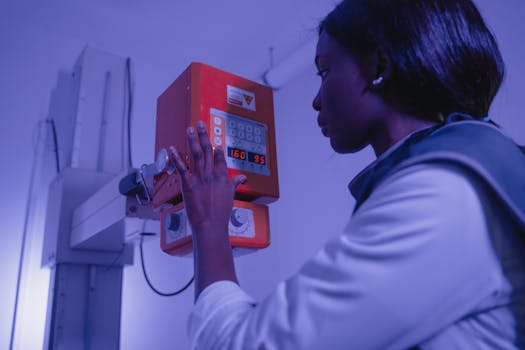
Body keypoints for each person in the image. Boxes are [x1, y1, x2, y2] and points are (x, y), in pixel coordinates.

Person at [169, 0, 525, 348]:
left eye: (325, 72)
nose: (317, 100)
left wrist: (210, 226)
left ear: (378, 65)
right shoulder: (483, 162)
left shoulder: (444, 194)